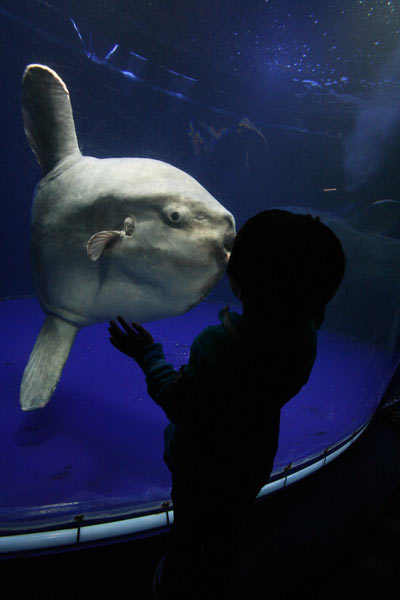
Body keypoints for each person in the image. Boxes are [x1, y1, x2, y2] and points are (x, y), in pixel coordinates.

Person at [108, 209, 346, 599]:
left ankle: (175, 586)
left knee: (187, 533)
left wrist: (147, 354)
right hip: (252, 460)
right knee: (228, 531)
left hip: (200, 468)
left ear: (236, 282)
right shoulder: (305, 336)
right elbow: (305, 307)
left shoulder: (218, 345)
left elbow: (178, 403)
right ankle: (215, 581)